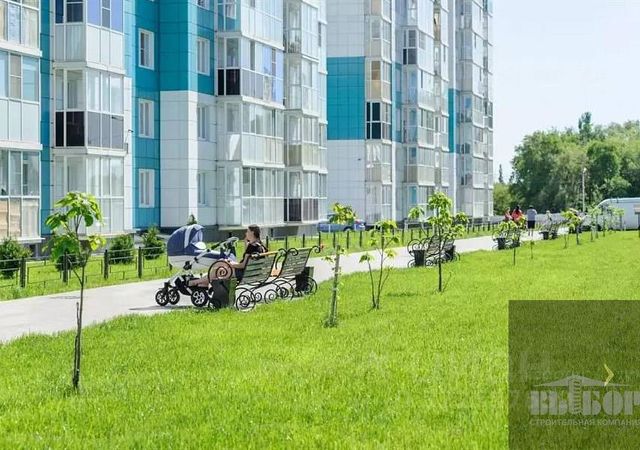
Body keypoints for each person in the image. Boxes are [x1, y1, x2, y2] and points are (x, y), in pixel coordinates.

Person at [187, 225, 267, 288]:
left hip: (242, 273)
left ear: (252, 233)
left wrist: (230, 264)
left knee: (218, 269)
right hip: (253, 273)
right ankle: (204, 282)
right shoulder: (260, 246)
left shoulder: (252, 246)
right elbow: (248, 257)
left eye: (247, 231)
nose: (246, 233)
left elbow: (242, 265)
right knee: (221, 264)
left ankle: (196, 282)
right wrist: (246, 243)